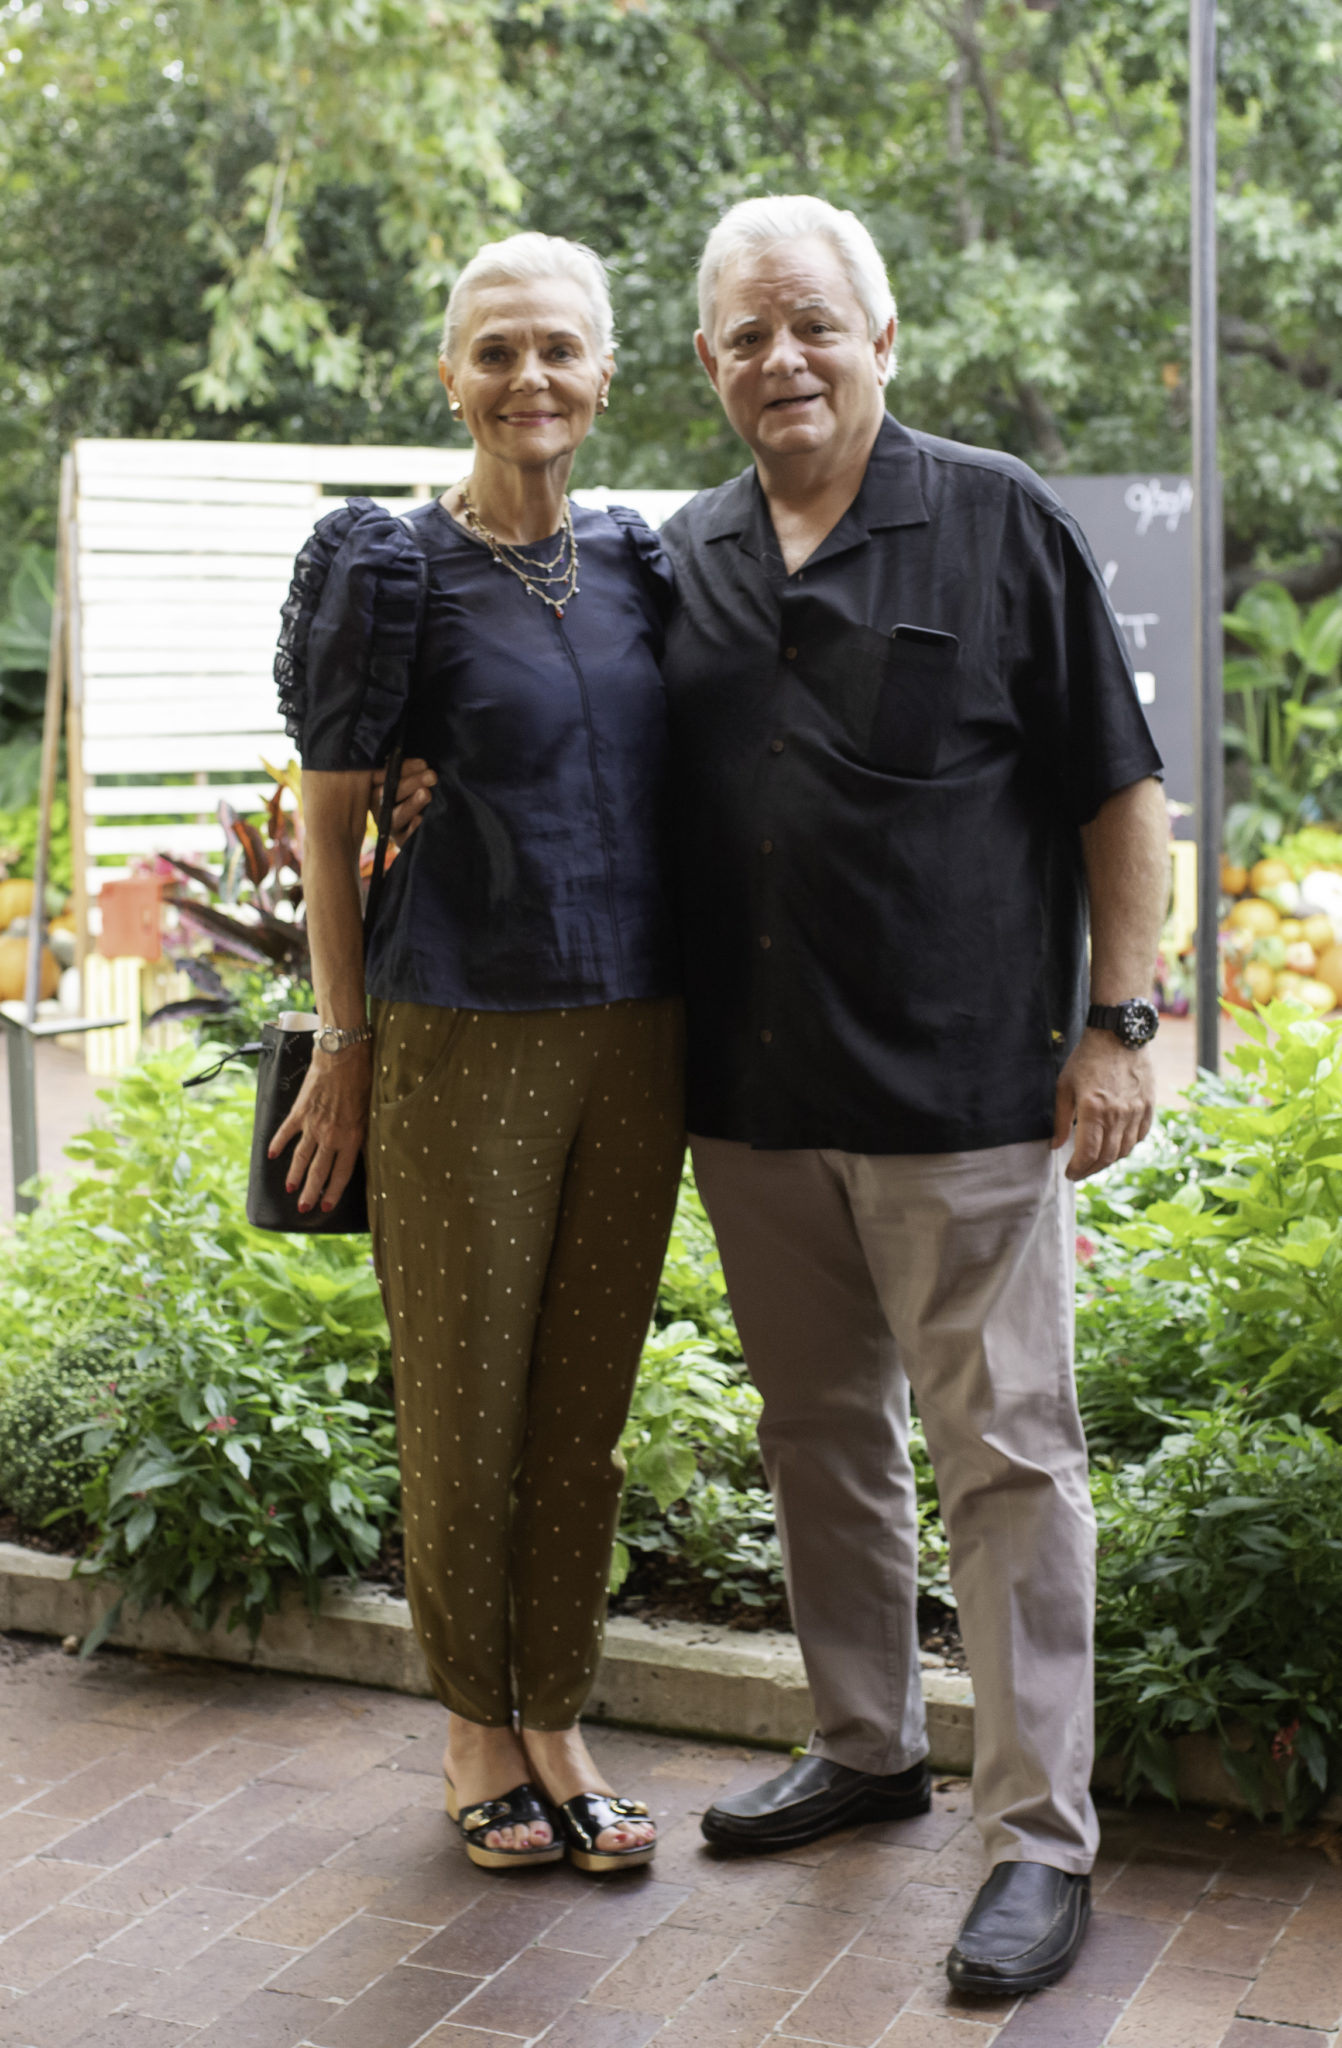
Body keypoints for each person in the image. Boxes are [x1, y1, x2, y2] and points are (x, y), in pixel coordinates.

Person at [390, 196, 1169, 1989]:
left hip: (965, 1095)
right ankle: (866, 1744)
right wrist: (426, 772)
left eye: (812, 323)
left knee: (1008, 1464)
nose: (782, 358)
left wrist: (1119, 1024)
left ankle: (1038, 1842)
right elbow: (564, 716)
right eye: (745, 334)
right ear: (703, 367)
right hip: (749, 1096)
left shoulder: (995, 521)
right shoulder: (687, 558)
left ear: (880, 336)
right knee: (816, 1439)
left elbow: (1115, 787)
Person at [271, 231, 685, 1874]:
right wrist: (345, 1043)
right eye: (495, 352)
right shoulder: (388, 569)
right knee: (462, 1395)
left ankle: (560, 1716)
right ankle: (471, 1730)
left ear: (603, 376)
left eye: (558, 352)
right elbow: (325, 835)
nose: (530, 380)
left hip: (640, 1030)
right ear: (450, 377)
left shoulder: (644, 564)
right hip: (457, 1031)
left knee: (581, 1404)